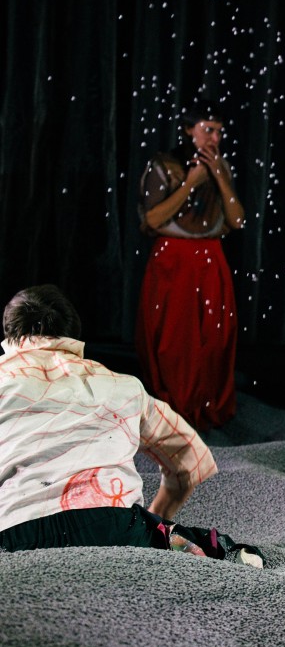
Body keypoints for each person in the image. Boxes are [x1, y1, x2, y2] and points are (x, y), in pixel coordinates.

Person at [0, 285, 261, 565]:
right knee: (203, 544)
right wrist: (157, 518)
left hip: (14, 532)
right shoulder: (123, 386)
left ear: (9, 334)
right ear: (73, 335)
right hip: (114, 525)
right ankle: (231, 555)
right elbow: (190, 459)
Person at [135, 100, 245, 432]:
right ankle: (175, 406)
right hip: (174, 258)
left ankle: (207, 404)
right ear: (188, 129)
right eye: (208, 130)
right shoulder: (164, 164)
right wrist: (190, 184)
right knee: (174, 337)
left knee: (214, 336)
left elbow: (237, 220)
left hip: (210, 257)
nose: (215, 139)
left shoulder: (221, 167)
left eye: (219, 132)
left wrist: (220, 178)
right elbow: (152, 220)